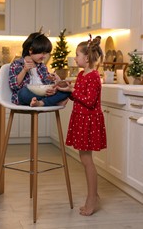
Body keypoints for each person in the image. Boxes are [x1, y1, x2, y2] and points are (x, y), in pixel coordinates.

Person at [57, 35, 107, 216]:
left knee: (87, 161)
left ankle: (92, 199)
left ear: (86, 58)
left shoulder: (93, 76)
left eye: (77, 55)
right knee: (84, 159)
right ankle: (94, 196)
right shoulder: (81, 74)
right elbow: (79, 96)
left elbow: (90, 101)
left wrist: (72, 90)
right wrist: (67, 90)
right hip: (81, 119)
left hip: (89, 121)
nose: (75, 58)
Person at [9, 32, 70, 107]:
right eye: (43, 53)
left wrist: (53, 83)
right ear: (31, 50)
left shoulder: (42, 66)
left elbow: (46, 84)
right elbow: (13, 86)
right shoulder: (17, 64)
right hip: (26, 95)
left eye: (46, 53)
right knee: (23, 93)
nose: (44, 56)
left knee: (67, 90)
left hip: (42, 94)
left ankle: (41, 103)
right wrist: (24, 70)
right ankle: (52, 101)